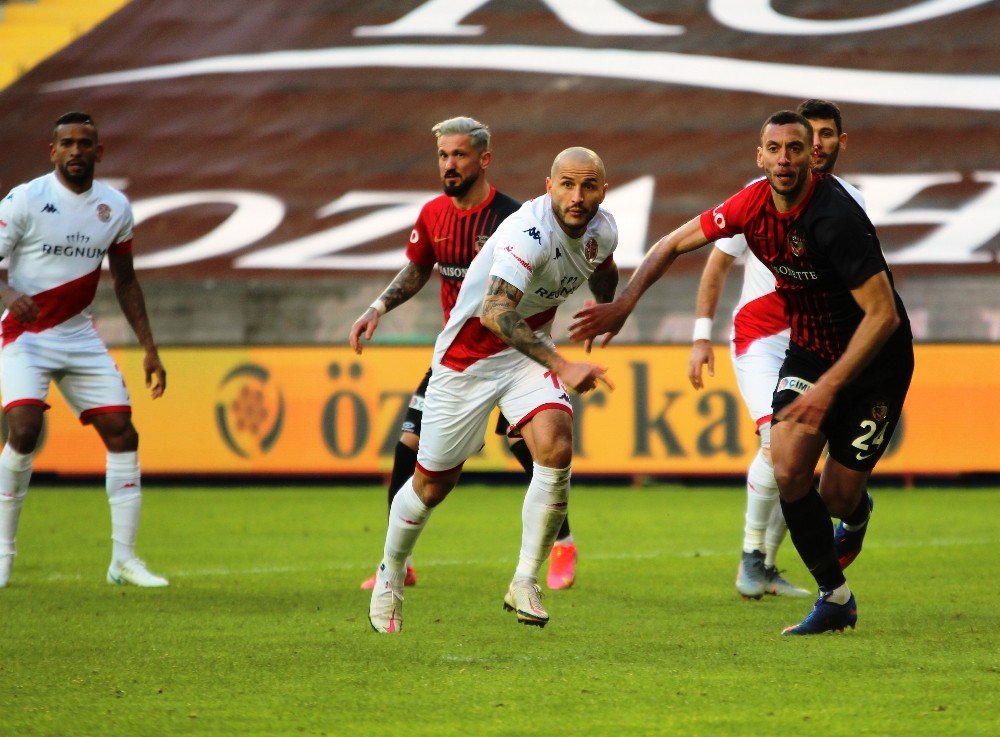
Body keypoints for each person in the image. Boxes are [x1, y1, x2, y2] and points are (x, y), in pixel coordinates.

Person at [570, 111, 913, 635]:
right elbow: (672, 245)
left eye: (795, 149)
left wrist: (829, 389)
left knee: (837, 498)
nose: (784, 159)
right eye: (773, 149)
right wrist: (623, 305)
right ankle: (834, 598)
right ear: (760, 156)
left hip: (877, 361)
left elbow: (883, 314)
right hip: (810, 349)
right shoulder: (750, 204)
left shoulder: (835, 217)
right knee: (787, 466)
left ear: (811, 159)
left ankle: (855, 513)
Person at [368, 147, 619, 633]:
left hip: (527, 354)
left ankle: (525, 580)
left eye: (589, 186)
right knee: (432, 485)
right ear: (549, 186)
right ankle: (390, 573)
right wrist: (565, 365)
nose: (578, 196)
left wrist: (603, 308)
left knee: (557, 445)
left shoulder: (604, 227)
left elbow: (603, 264)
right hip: (468, 358)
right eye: (567, 184)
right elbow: (496, 313)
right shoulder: (527, 234)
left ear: (602, 191)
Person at [350, 116, 579, 592]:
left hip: (513, 352)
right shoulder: (434, 214)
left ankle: (562, 543)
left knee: (530, 445)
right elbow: (416, 270)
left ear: (484, 159)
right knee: (409, 447)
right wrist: (377, 307)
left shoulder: (515, 220)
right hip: (457, 358)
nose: (449, 165)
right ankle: (397, 565)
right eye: (442, 156)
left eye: (458, 155)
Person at [687, 99, 865, 601]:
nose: (820, 144)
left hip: (820, 343)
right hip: (762, 338)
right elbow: (717, 264)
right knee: (777, 441)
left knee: (801, 462)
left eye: (827, 135)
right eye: (814, 135)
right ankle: (751, 556)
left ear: (830, 145)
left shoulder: (848, 201)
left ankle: (765, 562)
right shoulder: (757, 196)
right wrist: (701, 335)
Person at [0, 112, 168, 588]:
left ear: (100, 151)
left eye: (85, 143)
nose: (76, 151)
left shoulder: (113, 207)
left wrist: (150, 348)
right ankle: (3, 554)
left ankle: (123, 561)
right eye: (67, 143)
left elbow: (127, 281)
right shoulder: (26, 199)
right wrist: (10, 295)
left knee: (123, 433)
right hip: (24, 334)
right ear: (52, 151)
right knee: (25, 428)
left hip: (76, 334)